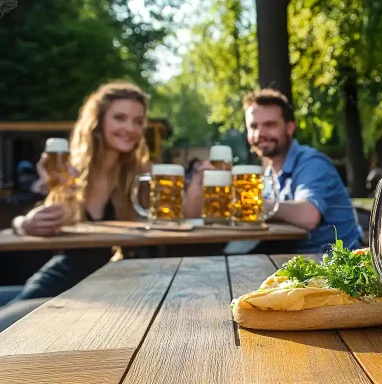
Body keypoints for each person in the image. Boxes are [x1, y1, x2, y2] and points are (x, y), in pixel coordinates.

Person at [3, 81, 153, 315]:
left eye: (137, 121)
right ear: (98, 122)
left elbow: (166, 224)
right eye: (120, 118)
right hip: (63, 279)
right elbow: (18, 219)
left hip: (115, 286)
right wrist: (26, 222)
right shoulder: (67, 169)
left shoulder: (143, 175)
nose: (130, 128)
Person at [187, 88, 361, 254]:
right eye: (254, 126)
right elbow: (192, 215)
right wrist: (199, 180)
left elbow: (308, 216)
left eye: (269, 125)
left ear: (289, 128)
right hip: (292, 260)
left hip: (334, 264)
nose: (260, 133)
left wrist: (257, 205)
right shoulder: (268, 172)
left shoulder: (312, 163)